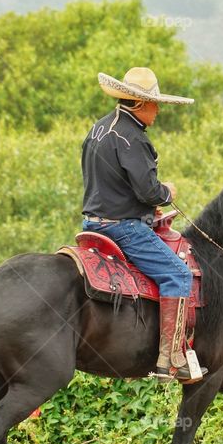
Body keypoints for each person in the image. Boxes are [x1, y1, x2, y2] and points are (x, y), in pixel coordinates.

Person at [81, 67, 206, 382]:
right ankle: (172, 359)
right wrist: (167, 191)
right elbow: (147, 191)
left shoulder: (97, 129)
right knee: (178, 274)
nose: (158, 110)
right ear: (138, 104)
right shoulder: (133, 138)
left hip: (91, 224)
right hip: (123, 228)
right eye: (154, 103)